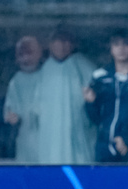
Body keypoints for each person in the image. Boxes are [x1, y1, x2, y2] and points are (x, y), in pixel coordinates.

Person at [35, 28, 96, 164]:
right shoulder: (45, 70)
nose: (62, 45)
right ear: (50, 44)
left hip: (78, 131)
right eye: (58, 41)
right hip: (50, 132)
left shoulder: (83, 65)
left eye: (66, 41)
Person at [84, 29, 128, 163]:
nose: (121, 48)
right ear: (110, 48)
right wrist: (90, 103)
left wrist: (126, 137)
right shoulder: (100, 76)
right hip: (105, 144)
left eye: (126, 44)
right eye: (116, 44)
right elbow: (94, 118)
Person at [4, 36, 43, 163]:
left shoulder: (48, 77)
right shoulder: (16, 81)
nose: (26, 58)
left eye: (30, 53)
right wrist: (11, 117)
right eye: (22, 54)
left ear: (39, 54)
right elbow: (10, 111)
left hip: (47, 138)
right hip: (25, 141)